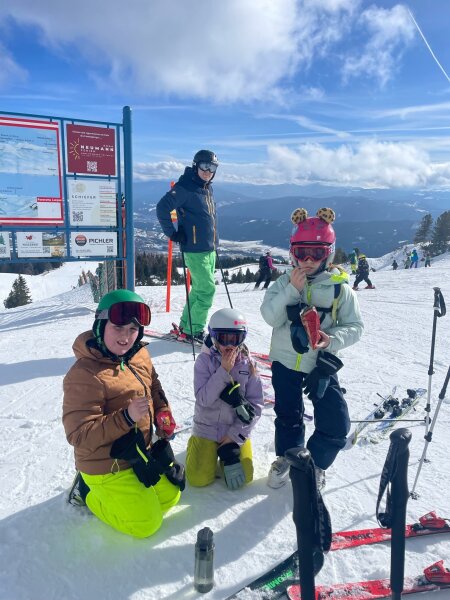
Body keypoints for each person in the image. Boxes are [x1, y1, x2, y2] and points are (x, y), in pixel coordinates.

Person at [63, 290, 184, 538]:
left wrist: (162, 410)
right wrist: (126, 417)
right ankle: (87, 491)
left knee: (171, 497)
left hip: (136, 452)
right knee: (146, 525)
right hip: (104, 464)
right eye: (118, 327)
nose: (126, 336)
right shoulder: (84, 374)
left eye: (133, 329)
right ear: (100, 326)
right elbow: (79, 435)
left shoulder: (138, 354)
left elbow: (153, 384)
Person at [260, 207, 363, 491]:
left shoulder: (339, 289)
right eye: (302, 252)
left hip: (320, 366)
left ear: (328, 254)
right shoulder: (283, 282)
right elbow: (270, 317)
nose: (307, 260)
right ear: (293, 253)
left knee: (336, 422)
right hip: (285, 363)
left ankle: (315, 464)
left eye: (316, 253)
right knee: (288, 417)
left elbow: (355, 326)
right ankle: (289, 458)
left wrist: (332, 340)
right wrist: (292, 290)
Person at [186, 308, 264, 490]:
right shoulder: (204, 361)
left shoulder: (248, 365)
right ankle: (195, 445)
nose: (229, 345)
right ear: (213, 337)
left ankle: (224, 453)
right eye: (223, 338)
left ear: (242, 339)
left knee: (246, 477)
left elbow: (256, 406)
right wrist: (223, 371)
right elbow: (203, 399)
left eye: (235, 339)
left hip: (234, 428)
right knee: (198, 479)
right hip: (207, 428)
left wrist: (234, 435)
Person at [156, 150, 219, 343]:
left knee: (199, 290)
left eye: (212, 167)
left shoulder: (206, 187)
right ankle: (194, 331)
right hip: (195, 249)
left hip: (209, 249)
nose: (208, 171)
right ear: (195, 166)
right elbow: (162, 207)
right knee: (207, 290)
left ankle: (187, 326)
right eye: (204, 166)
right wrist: (172, 233)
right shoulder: (185, 187)